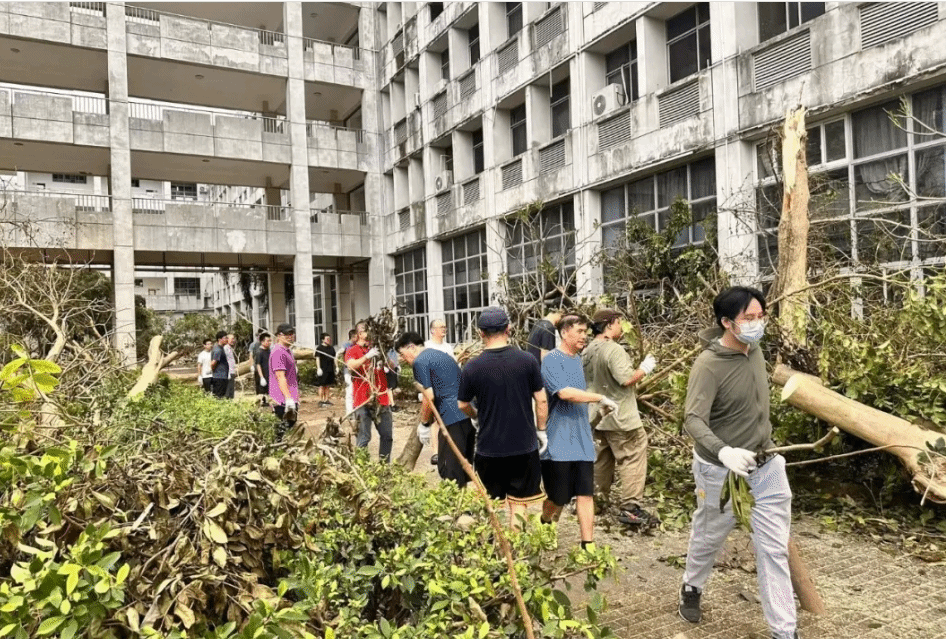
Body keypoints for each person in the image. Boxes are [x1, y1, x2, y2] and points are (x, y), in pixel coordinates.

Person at [678, 286, 797, 639]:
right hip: (719, 470)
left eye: (761, 316)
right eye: (749, 318)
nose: (757, 323)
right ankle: (692, 586)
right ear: (727, 322)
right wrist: (723, 451)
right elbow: (693, 419)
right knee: (709, 536)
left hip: (766, 461)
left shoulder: (755, 351)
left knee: (773, 549)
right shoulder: (708, 365)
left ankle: (784, 631)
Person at [458, 306, 547, 529]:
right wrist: (541, 431)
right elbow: (542, 400)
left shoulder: (472, 367)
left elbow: (462, 404)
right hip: (524, 446)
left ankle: (495, 545)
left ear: (481, 333)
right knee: (519, 504)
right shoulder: (527, 360)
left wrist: (475, 416)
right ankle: (515, 546)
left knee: (491, 506)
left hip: (489, 448)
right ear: (508, 329)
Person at [539, 314, 618, 550]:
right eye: (580, 331)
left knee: (585, 493)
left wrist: (599, 412)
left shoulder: (579, 361)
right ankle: (545, 522)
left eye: (586, 332)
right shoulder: (551, 360)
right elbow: (565, 393)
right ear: (564, 333)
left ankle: (588, 545)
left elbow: (581, 397)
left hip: (582, 440)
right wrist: (599, 397)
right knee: (558, 497)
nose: (584, 336)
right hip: (558, 440)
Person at [583, 309, 658, 527]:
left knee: (601, 459)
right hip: (621, 416)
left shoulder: (587, 350)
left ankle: (597, 500)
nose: (621, 327)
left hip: (597, 415)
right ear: (609, 324)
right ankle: (631, 507)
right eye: (619, 323)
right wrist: (644, 369)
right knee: (632, 456)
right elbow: (626, 379)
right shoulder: (613, 349)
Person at [395, 331, 473, 487]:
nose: (402, 359)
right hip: (465, 417)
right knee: (461, 468)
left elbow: (428, 397)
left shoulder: (420, 361)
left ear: (411, 347)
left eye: (402, 354)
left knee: (449, 470)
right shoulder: (439, 355)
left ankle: (455, 503)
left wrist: (424, 424)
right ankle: (463, 501)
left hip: (451, 418)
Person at [346, 321, 393, 462]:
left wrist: (384, 360)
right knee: (363, 437)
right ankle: (362, 466)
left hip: (381, 398)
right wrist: (367, 357)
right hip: (363, 400)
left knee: (387, 435)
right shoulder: (352, 350)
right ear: (360, 334)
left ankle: (384, 466)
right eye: (367, 331)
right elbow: (351, 365)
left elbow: (392, 366)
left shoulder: (377, 348)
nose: (370, 333)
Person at [424, 318, 455, 466]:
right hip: (432, 388)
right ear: (432, 330)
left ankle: (447, 450)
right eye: (441, 327)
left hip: (448, 388)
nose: (444, 329)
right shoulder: (427, 346)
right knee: (436, 420)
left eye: (444, 326)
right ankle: (435, 452)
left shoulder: (448, 347)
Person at [269, 323, 299, 440]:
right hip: (282, 399)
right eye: (286, 334)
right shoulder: (278, 352)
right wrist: (288, 399)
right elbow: (280, 376)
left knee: (289, 429)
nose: (290, 336)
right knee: (281, 431)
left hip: (291, 395)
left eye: (291, 334)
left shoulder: (287, 350)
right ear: (278, 336)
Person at [315, 332, 336, 407]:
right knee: (322, 385)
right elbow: (317, 358)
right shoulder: (319, 348)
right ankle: (321, 400)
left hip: (330, 369)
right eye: (327, 339)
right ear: (323, 340)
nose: (328, 340)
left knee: (328, 385)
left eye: (329, 339)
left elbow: (334, 358)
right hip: (322, 369)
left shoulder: (331, 348)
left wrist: (336, 367)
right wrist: (318, 368)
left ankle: (326, 400)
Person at [209, 330, 230, 398]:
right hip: (219, 377)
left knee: (220, 396)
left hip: (221, 376)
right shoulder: (218, 350)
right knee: (219, 397)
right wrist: (214, 371)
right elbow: (213, 363)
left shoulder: (220, 348)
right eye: (225, 338)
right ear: (219, 339)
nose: (227, 339)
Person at [341, 329, 357, 415]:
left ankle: (355, 409)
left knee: (355, 390)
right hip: (348, 370)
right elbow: (339, 353)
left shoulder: (356, 345)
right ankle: (349, 412)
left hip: (356, 371)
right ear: (352, 337)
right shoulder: (346, 345)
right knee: (350, 390)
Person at [255, 332, 272, 408]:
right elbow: (258, 365)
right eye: (268, 341)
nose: (269, 342)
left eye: (270, 341)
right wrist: (261, 377)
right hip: (262, 374)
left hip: (269, 373)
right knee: (262, 392)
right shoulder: (259, 352)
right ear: (262, 342)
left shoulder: (269, 351)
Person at [224, 333, 238, 399]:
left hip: (232, 371)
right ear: (227, 339)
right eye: (232, 339)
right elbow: (225, 360)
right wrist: (228, 372)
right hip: (228, 372)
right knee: (228, 391)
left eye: (233, 339)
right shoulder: (225, 348)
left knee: (231, 390)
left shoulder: (230, 348)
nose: (233, 340)